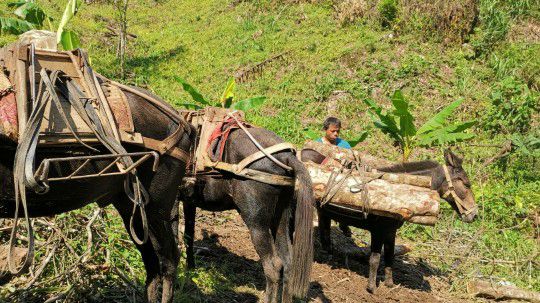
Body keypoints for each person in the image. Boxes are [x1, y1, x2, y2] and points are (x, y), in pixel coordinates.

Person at [316, 117, 353, 237]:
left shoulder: (344, 145)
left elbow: (351, 163)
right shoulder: (317, 144)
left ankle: (344, 223)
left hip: (341, 181)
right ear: (325, 130)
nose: (336, 134)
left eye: (338, 131)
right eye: (332, 131)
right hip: (322, 183)